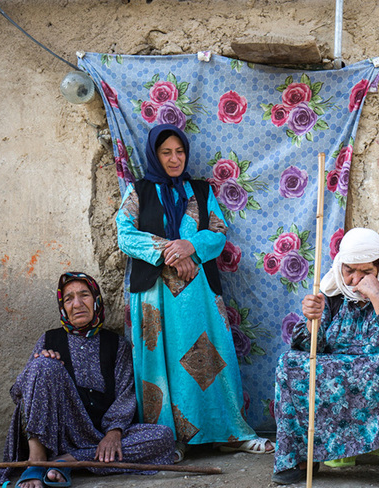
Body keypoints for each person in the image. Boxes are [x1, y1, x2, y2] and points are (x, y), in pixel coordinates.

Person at [116, 124, 272, 461]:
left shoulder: (200, 191)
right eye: (166, 152)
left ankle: (229, 433)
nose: (174, 159)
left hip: (198, 296)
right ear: (154, 156)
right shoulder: (138, 191)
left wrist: (190, 246)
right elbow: (125, 235)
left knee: (210, 361)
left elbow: (217, 233)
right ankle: (170, 438)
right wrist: (170, 252)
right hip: (156, 298)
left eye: (179, 152)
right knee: (165, 365)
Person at [272, 228, 379, 488]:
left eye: (366, 272)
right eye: (349, 270)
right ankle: (302, 458)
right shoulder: (329, 294)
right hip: (336, 371)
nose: (355, 280)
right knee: (289, 363)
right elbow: (309, 348)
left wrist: (378, 297)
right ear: (340, 266)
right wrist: (310, 322)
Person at [0, 272, 175, 488]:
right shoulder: (49, 339)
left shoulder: (116, 345)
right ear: (63, 307)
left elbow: (126, 393)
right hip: (55, 434)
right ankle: (38, 460)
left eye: (84, 295)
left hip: (97, 435)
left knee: (163, 437)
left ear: (97, 300)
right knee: (43, 364)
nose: (77, 304)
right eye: (69, 299)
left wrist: (114, 433)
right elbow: (18, 394)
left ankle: (68, 460)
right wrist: (39, 369)